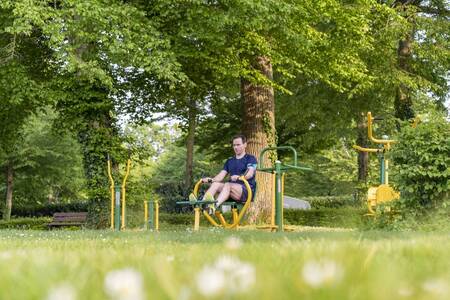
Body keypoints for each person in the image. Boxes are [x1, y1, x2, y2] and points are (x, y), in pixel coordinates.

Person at [189, 134, 257, 211]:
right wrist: (211, 180)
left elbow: (250, 173)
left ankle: (214, 206)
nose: (235, 147)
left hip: (246, 191)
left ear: (245, 145)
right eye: (234, 145)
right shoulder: (230, 161)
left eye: (238, 145)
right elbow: (220, 176)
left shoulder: (250, 158)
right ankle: (203, 204)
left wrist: (239, 177)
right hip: (230, 190)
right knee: (215, 184)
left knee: (228, 184)